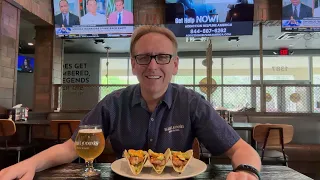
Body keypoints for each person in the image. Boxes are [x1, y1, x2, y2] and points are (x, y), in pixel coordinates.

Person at [0, 25, 261, 180]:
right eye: (144, 58)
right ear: (134, 65)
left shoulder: (192, 103)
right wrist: (29, 163)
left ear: (175, 65)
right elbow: (72, 148)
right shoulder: (113, 103)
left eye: (162, 57)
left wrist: (248, 171)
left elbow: (241, 150)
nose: (153, 66)